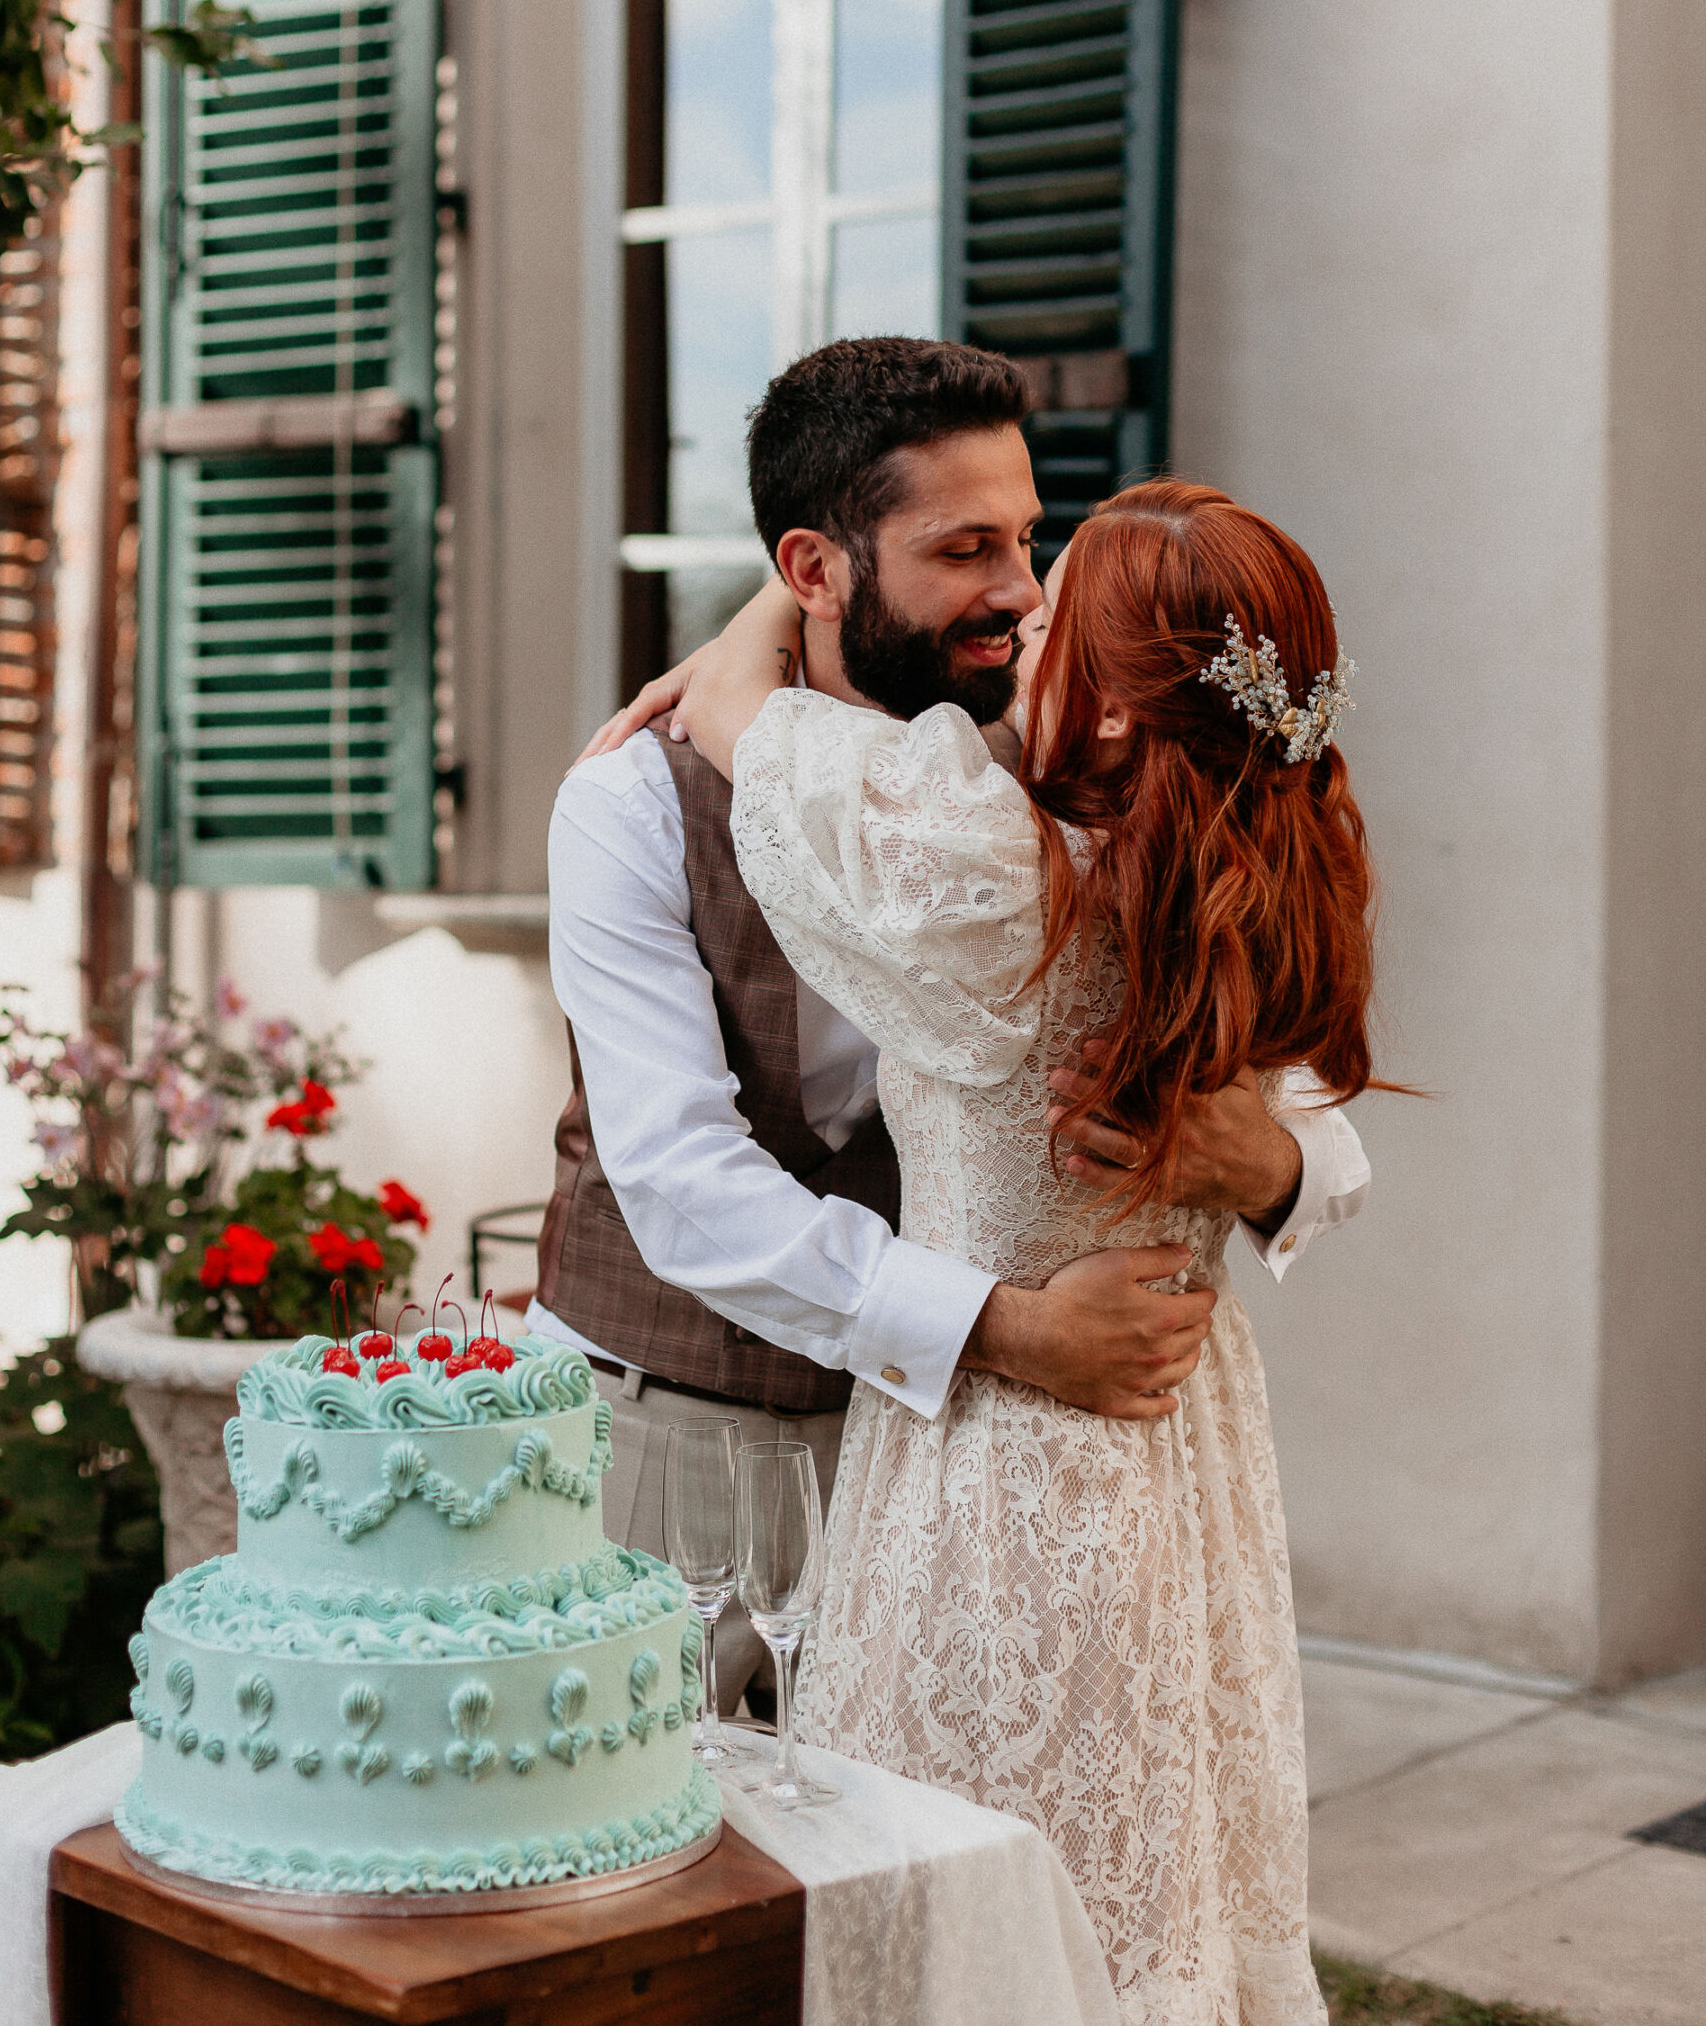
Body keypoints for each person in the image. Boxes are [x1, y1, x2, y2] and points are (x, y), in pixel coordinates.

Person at [616, 471, 1384, 2024]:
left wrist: (790, 590)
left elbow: (734, 704)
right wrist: (1269, 1154)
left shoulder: (985, 865)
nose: (1024, 615)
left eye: (1060, 613)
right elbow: (1333, 1138)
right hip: (1193, 1458)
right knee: (1153, 1893)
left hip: (1003, 1475)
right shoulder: (1267, 870)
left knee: (972, 1914)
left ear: (1110, 714)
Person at [536, 339, 1368, 1719]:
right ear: (813, 570)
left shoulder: (1064, 774)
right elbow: (679, 1183)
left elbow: (1309, 1122)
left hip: (934, 1468)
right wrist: (1005, 1329)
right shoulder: (635, 803)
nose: (1022, 593)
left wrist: (1262, 1161)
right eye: (966, 549)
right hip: (668, 1441)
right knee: (626, 1870)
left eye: (1029, 541)